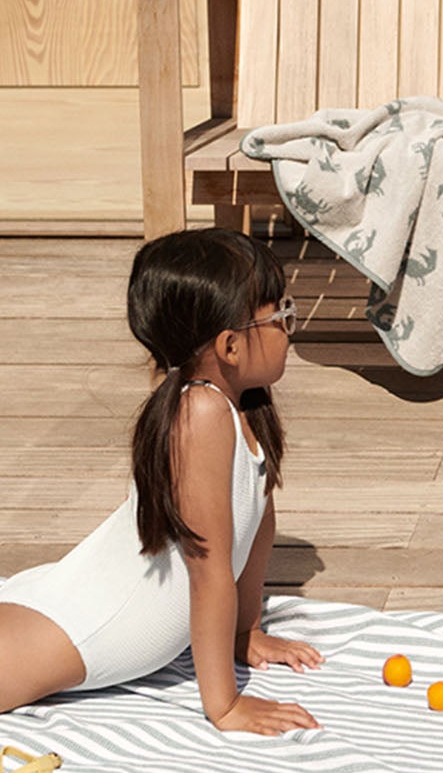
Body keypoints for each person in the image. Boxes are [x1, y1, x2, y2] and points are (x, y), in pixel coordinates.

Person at [0, 228, 322, 732]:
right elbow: (208, 569)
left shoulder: (245, 407)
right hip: (86, 625)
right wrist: (225, 705)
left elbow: (256, 522)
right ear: (230, 346)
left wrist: (246, 631)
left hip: (99, 608)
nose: (289, 327)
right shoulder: (200, 415)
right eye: (280, 315)